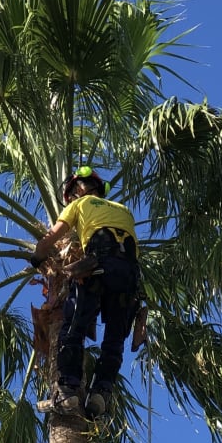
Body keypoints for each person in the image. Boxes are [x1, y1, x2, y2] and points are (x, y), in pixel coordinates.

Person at [30, 167, 140, 417]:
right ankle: (101, 392)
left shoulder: (80, 204)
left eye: (71, 193)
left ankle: (67, 392)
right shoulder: (123, 210)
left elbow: (52, 237)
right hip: (129, 276)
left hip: (98, 266)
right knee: (114, 339)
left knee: (73, 327)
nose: (71, 197)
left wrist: (37, 257)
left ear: (79, 189)